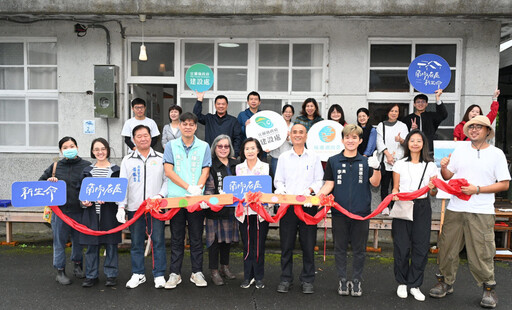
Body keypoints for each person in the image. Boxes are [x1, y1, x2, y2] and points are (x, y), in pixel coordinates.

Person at [429, 115, 510, 309]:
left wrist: (478, 189)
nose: (474, 130)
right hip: (455, 208)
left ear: (487, 131)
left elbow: (504, 184)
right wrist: (445, 168)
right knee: (447, 247)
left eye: (479, 127)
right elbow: (448, 176)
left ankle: (488, 289)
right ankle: (445, 283)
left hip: (481, 210)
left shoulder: (496, 153)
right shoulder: (460, 149)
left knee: (482, 251)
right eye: (471, 127)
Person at [319, 124, 381, 297]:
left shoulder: (366, 161)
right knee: (339, 248)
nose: (351, 140)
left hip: (361, 213)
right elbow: (329, 184)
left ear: (360, 141)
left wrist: (376, 167)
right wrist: (316, 198)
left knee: (359, 249)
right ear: (342, 140)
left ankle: (356, 281)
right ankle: (342, 280)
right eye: (348, 137)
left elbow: (375, 183)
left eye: (354, 138)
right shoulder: (333, 160)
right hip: (339, 212)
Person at [163, 112, 212, 289]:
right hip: (176, 199)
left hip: (196, 200)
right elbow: (168, 171)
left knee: (196, 237)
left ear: (196, 127)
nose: (188, 126)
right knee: (176, 237)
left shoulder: (204, 146)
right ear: (180, 125)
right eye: (185, 123)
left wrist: (198, 188)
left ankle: (197, 272)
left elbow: (205, 170)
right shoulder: (171, 145)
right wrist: (187, 187)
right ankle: (174, 274)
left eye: (192, 124)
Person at [274, 123, 324, 294]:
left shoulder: (314, 157)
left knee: (308, 245)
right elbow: (278, 180)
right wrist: (281, 190)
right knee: (286, 245)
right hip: (288, 207)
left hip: (308, 207)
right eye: (294, 132)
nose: (297, 135)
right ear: (290, 135)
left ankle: (308, 279)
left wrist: (309, 191)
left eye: (301, 132)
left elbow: (319, 181)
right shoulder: (283, 157)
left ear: (306, 135)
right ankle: (285, 278)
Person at [116, 125, 167, 289]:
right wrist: (121, 207)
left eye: (146, 135)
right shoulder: (127, 160)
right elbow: (123, 184)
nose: (143, 138)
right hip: (134, 208)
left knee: (158, 242)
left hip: (156, 208)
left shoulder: (160, 158)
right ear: (133, 139)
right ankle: (138, 274)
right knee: (137, 242)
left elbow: (168, 180)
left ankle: (159, 274)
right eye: (139, 136)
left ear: (151, 137)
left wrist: (160, 196)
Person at [390, 130, 438, 301]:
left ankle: (415, 284)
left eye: (419, 141)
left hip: (422, 207)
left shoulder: (430, 165)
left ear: (423, 144)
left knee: (421, 247)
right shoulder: (400, 164)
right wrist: (395, 194)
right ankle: (402, 282)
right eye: (412, 140)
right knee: (402, 246)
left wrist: (433, 187)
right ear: (407, 143)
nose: (415, 143)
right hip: (403, 205)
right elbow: (395, 187)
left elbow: (433, 193)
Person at [39, 136, 91, 285]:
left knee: (78, 241)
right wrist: (49, 181)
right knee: (59, 242)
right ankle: (60, 271)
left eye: (72, 146)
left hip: (79, 211)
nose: (69, 149)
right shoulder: (55, 167)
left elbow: (91, 186)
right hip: (59, 213)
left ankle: (78, 265)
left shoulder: (86, 166)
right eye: (65, 147)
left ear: (77, 147)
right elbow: (40, 183)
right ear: (61, 150)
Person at [79, 138, 122, 288]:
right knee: (91, 246)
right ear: (92, 152)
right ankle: (91, 275)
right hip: (91, 213)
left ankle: (111, 275)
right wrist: (84, 201)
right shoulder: (87, 171)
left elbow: (120, 192)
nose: (100, 152)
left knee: (111, 245)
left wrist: (109, 199)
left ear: (108, 150)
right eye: (96, 149)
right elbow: (81, 192)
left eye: (103, 148)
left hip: (109, 212)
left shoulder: (116, 170)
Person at [203, 135, 239, 286]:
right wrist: (217, 199)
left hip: (232, 209)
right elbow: (208, 189)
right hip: (215, 209)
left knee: (227, 241)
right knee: (214, 242)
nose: (223, 149)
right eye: (220, 146)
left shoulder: (236, 164)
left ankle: (225, 267)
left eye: (226, 146)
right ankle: (214, 271)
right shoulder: (210, 165)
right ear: (214, 148)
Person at [236, 137, 270, 289]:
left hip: (260, 212)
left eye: (252, 148)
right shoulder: (239, 168)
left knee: (259, 245)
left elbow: (267, 189)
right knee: (247, 245)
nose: (250, 151)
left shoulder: (265, 167)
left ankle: (259, 276)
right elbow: (236, 190)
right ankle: (247, 276)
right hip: (244, 212)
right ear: (243, 152)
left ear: (258, 150)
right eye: (247, 148)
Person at [376, 104, 409, 202]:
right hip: (385, 159)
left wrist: (401, 140)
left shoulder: (403, 126)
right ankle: (385, 206)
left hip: (399, 160)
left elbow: (407, 143)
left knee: (397, 185)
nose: (394, 113)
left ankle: (395, 206)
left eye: (396, 111)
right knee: (385, 185)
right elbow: (379, 142)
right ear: (387, 112)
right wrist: (388, 155)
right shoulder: (381, 125)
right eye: (392, 111)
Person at [193, 92, 243, 156]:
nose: (221, 106)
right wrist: (199, 100)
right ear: (215, 105)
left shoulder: (233, 121)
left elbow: (238, 138)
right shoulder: (209, 118)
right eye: (218, 104)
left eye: (223, 104)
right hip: (210, 155)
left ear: (227, 105)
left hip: (227, 156)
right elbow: (196, 115)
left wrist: (235, 154)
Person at [269, 104, 294, 178]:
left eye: (290, 112)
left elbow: (296, 143)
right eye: (286, 112)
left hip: (289, 158)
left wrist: (288, 139)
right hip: (276, 157)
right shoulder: (276, 124)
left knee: (288, 179)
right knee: (276, 179)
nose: (288, 114)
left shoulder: (294, 126)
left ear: (292, 114)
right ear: (282, 113)